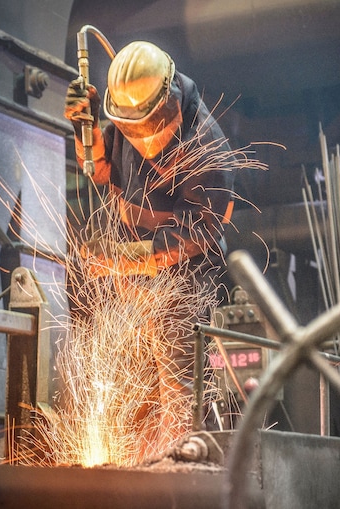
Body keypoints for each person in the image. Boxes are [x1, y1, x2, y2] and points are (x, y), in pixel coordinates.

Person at [64, 40, 236, 443]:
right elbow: (102, 170)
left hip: (185, 281)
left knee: (180, 398)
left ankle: (188, 476)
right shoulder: (126, 118)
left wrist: (129, 256)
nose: (143, 138)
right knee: (131, 393)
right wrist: (83, 126)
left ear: (170, 96)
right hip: (133, 278)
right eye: (131, 128)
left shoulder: (207, 147)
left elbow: (199, 232)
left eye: (150, 125)